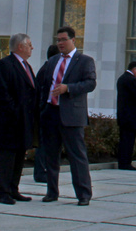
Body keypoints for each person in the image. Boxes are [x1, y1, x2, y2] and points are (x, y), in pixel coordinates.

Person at [36, 26, 96, 206]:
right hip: (51, 113)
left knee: (77, 156)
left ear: (73, 40)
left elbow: (90, 83)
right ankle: (51, 192)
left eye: (64, 39)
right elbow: (43, 84)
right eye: (58, 40)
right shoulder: (52, 61)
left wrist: (68, 88)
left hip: (71, 115)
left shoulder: (84, 61)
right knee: (51, 156)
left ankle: (83, 194)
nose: (60, 43)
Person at [0, 33, 38, 204]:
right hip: (9, 122)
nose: (32, 48)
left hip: (24, 121)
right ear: (20, 47)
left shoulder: (26, 66)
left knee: (19, 157)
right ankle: (3, 192)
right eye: (29, 45)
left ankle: (13, 189)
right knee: (7, 158)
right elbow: (2, 93)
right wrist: (15, 112)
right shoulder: (5, 65)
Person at [33, 42, 59, 184]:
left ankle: (45, 171)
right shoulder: (46, 70)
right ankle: (40, 172)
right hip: (44, 112)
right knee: (43, 144)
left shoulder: (48, 69)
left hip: (47, 112)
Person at [115, 61, 136, 171]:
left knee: (123, 139)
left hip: (123, 115)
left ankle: (122, 162)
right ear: (135, 69)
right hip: (131, 116)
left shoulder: (121, 78)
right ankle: (126, 163)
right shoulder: (132, 80)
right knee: (129, 140)